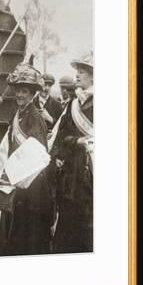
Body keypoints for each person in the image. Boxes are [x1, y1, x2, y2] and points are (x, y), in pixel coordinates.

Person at [0, 63, 54, 256]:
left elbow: (38, 154)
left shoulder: (35, 118)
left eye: (25, 91)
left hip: (31, 185)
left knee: (26, 233)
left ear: (32, 94)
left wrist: (15, 174)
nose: (20, 95)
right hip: (16, 180)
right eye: (18, 90)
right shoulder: (18, 115)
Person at [50, 53, 93, 253]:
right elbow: (62, 135)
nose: (77, 76)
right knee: (68, 213)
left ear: (93, 77)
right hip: (72, 169)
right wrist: (75, 142)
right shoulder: (74, 103)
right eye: (77, 72)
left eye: (81, 72)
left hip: (91, 171)